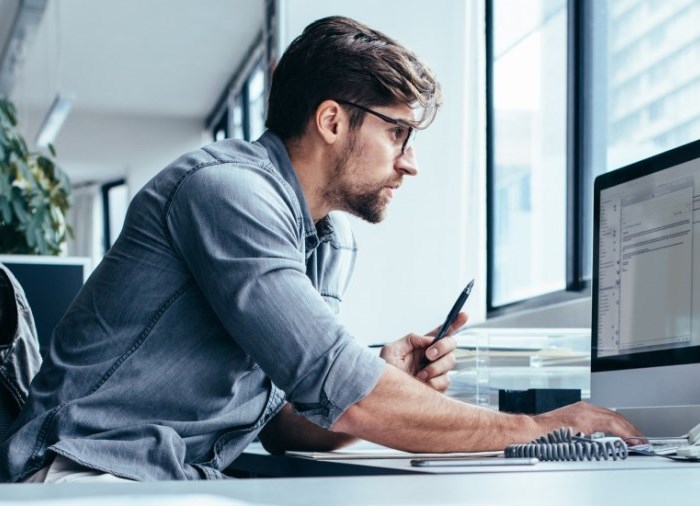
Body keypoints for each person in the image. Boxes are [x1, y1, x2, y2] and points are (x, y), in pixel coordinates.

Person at [0, 16, 640, 483]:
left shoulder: (329, 239)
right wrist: (537, 429)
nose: (410, 163)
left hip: (172, 478)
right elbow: (347, 390)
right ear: (333, 121)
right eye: (399, 133)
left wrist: (384, 372)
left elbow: (283, 422)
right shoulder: (227, 193)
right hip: (83, 475)